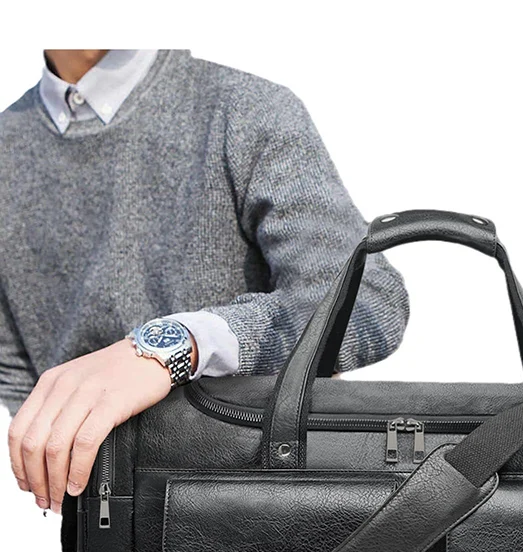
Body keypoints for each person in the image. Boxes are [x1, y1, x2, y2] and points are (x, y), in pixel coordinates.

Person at [0, 49, 409, 515]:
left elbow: (369, 302)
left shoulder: (246, 110)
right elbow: (15, 369)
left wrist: (180, 344)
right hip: (107, 529)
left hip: (270, 517)